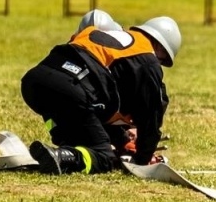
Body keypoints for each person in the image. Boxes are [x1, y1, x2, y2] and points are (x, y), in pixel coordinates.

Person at [21, 16, 180, 175]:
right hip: (71, 90)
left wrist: (123, 141)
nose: (159, 63)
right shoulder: (147, 59)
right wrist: (142, 160)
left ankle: (64, 148)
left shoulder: (111, 39)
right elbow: (151, 116)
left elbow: (100, 109)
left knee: (81, 136)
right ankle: (62, 156)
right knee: (104, 157)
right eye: (162, 59)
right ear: (159, 46)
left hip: (36, 84)